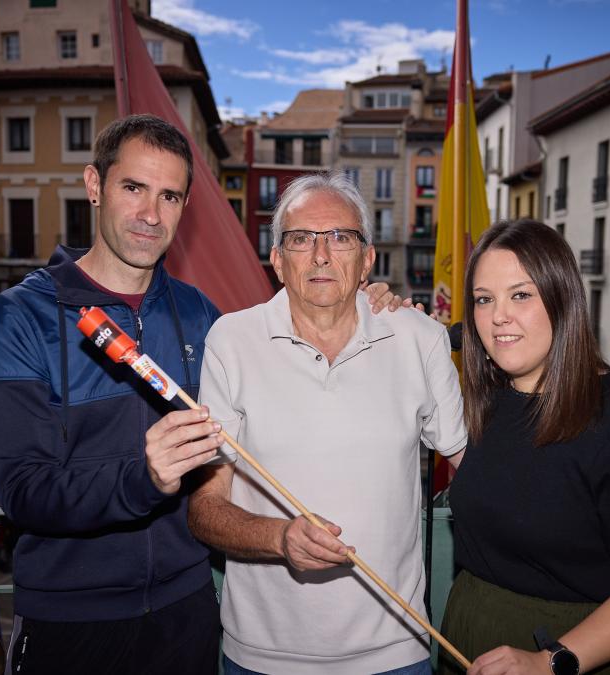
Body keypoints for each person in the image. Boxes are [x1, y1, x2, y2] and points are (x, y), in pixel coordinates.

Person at [0, 116, 407, 674]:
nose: (150, 214)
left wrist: (364, 305)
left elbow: (289, 368)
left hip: (187, 612)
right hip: (70, 619)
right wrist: (145, 477)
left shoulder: (203, 316)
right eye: (133, 188)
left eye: (170, 196)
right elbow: (23, 492)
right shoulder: (22, 316)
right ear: (94, 185)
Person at [188, 172, 467, 675]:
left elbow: (477, 468)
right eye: (300, 239)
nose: (320, 255)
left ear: (367, 260)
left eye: (339, 237)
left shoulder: (419, 337)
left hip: (395, 653)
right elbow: (205, 509)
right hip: (260, 657)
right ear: (277, 261)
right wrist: (279, 537)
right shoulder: (230, 341)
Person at [440, 219, 610, 675]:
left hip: (575, 656)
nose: (499, 316)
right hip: (468, 641)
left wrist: (550, 660)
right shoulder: (492, 400)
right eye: (484, 299)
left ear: (562, 299)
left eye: (521, 294)